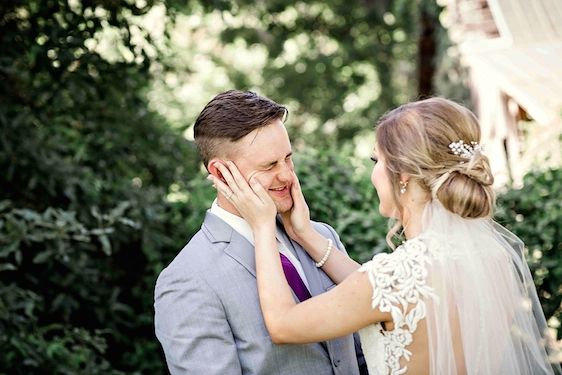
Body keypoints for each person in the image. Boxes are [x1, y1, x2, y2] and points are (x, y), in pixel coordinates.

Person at [210, 97, 562, 375]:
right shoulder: (492, 259)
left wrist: (261, 225)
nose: (374, 173)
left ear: (404, 175)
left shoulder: (397, 277)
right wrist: (305, 234)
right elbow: (386, 294)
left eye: (376, 160)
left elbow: (283, 324)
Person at [154, 90, 367, 374]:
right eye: (269, 165)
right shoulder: (188, 280)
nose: (287, 175)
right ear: (220, 173)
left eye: (288, 159)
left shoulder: (321, 236)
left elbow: (362, 353)